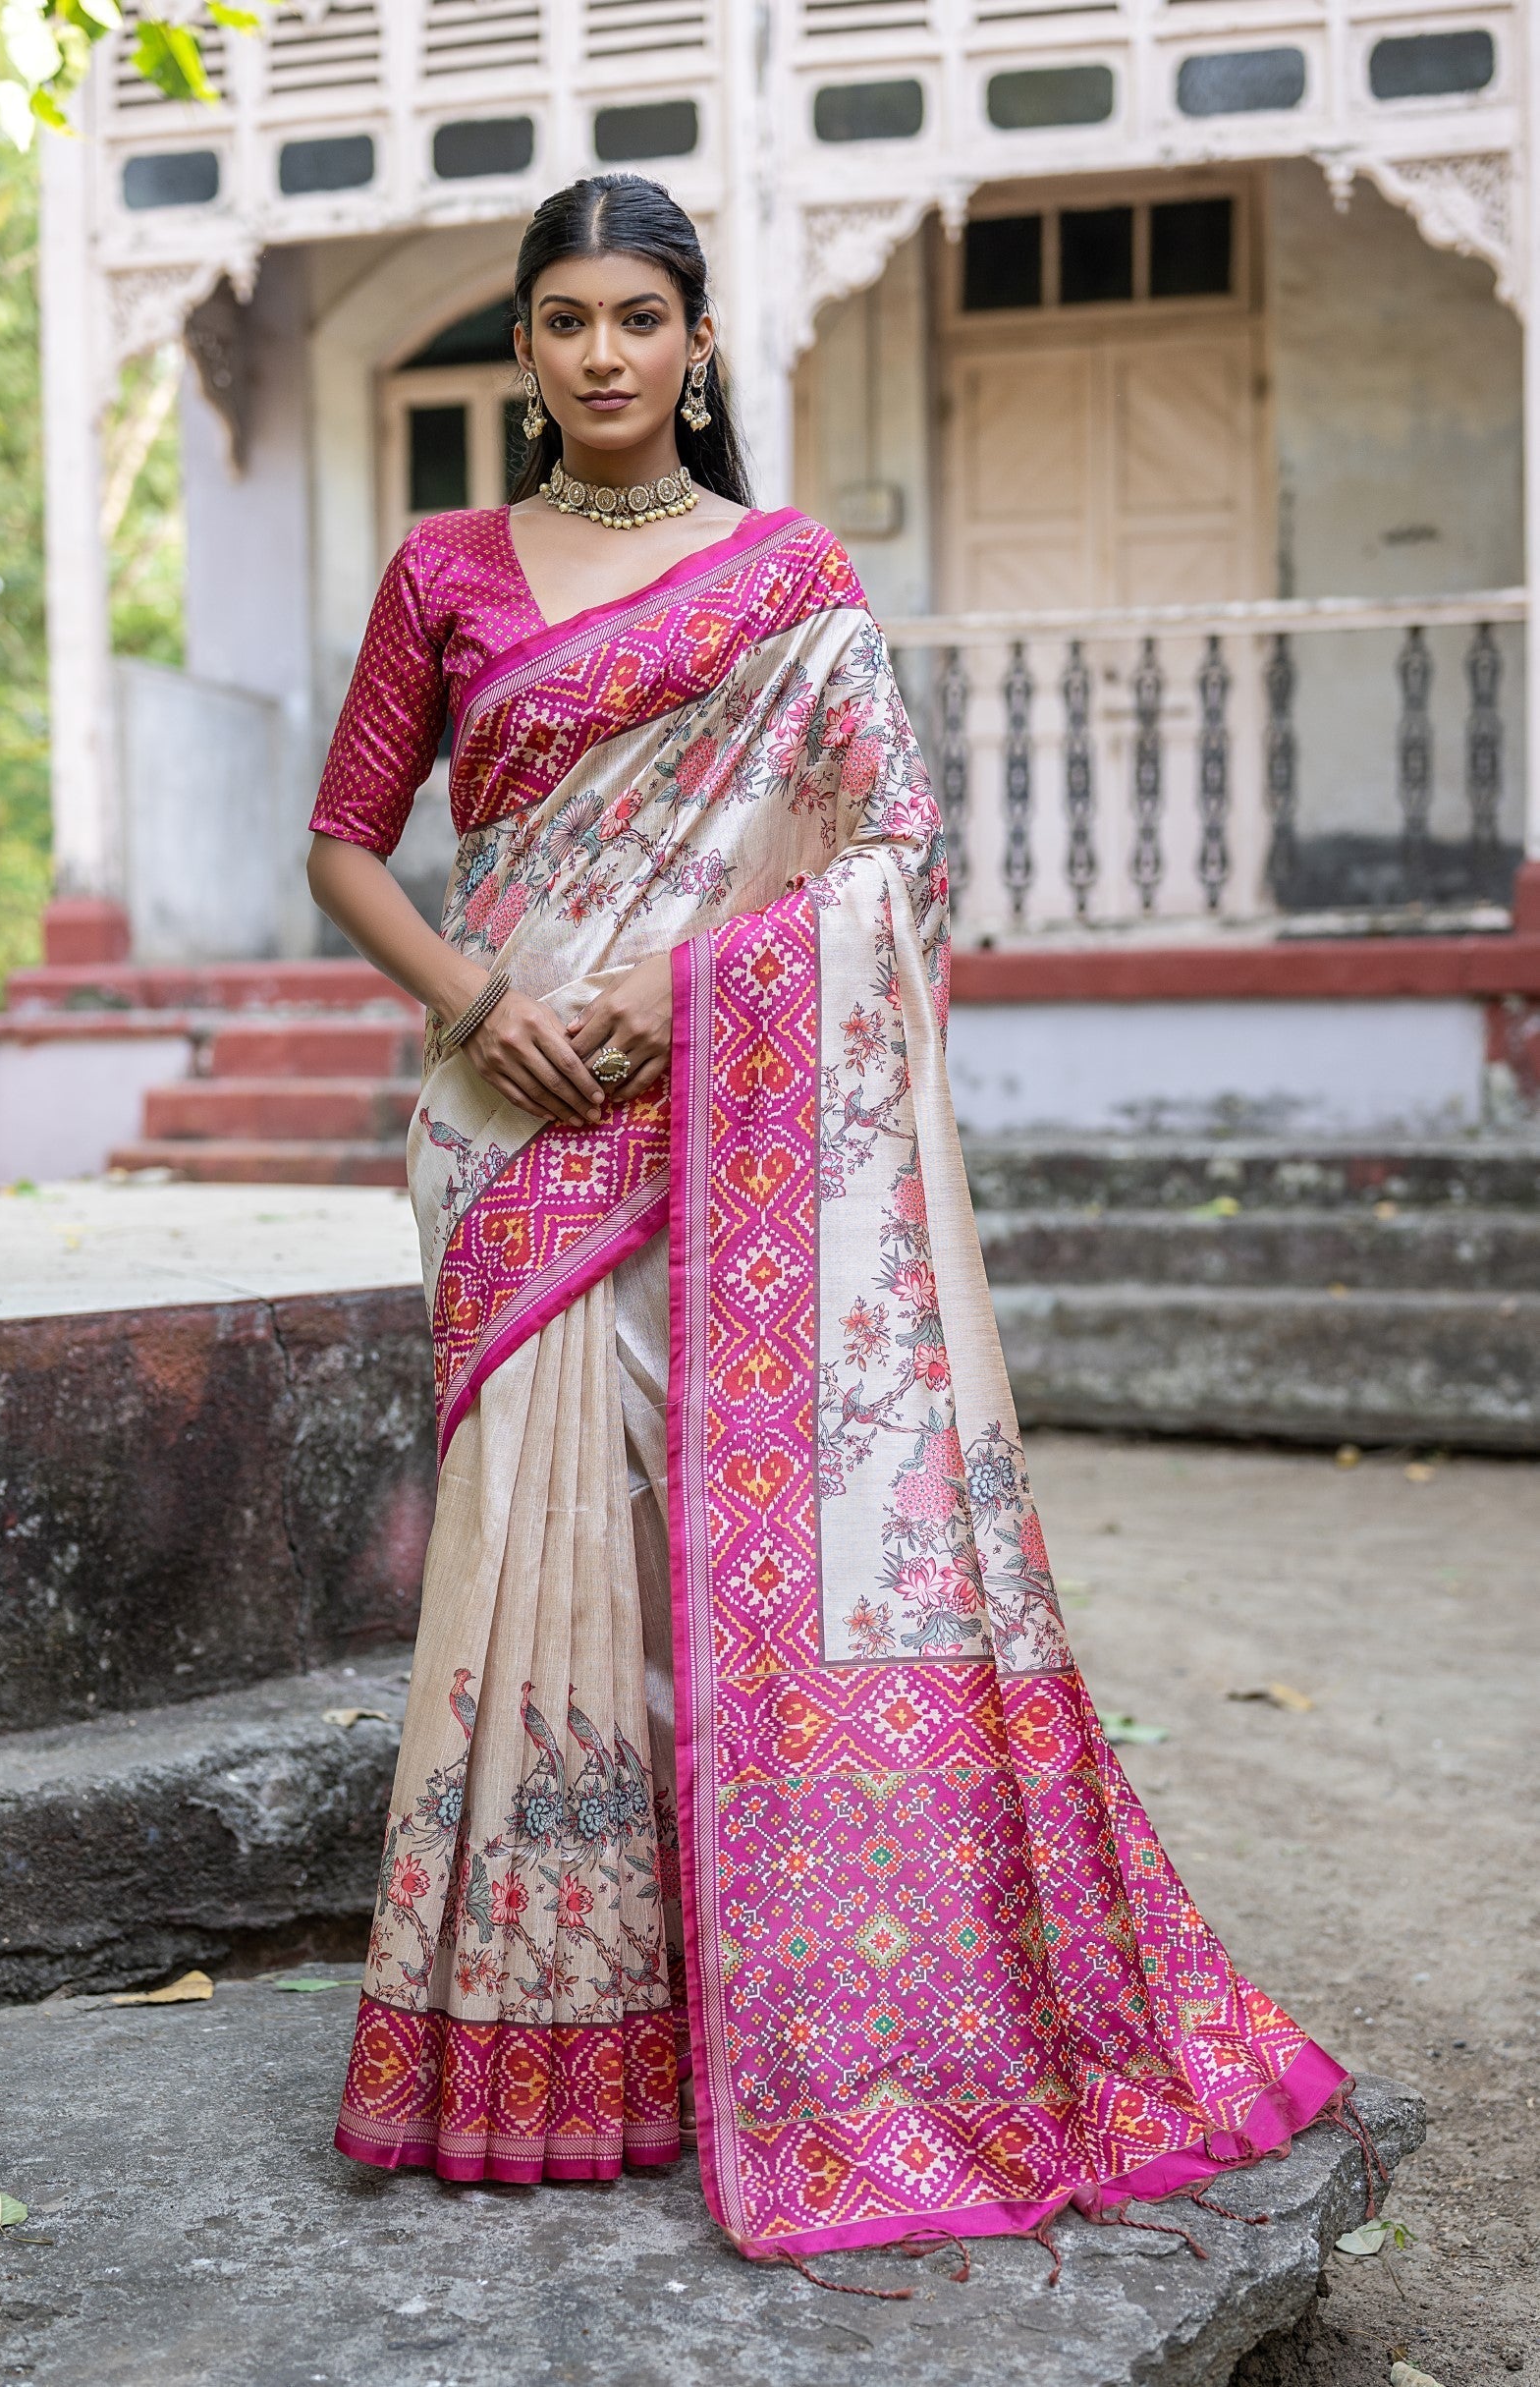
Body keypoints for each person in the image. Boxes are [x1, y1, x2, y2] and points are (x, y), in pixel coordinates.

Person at [307, 173, 1348, 2271]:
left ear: (698, 347)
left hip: (720, 1120)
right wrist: (490, 1009)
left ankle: (755, 2015)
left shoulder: (791, 585)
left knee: (733, 1563)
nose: (603, 354)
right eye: (566, 320)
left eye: (640, 318)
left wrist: (671, 994)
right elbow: (348, 847)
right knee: (537, 1558)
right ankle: (545, 2032)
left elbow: (893, 857)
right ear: (522, 351)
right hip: (506, 1130)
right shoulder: (440, 571)